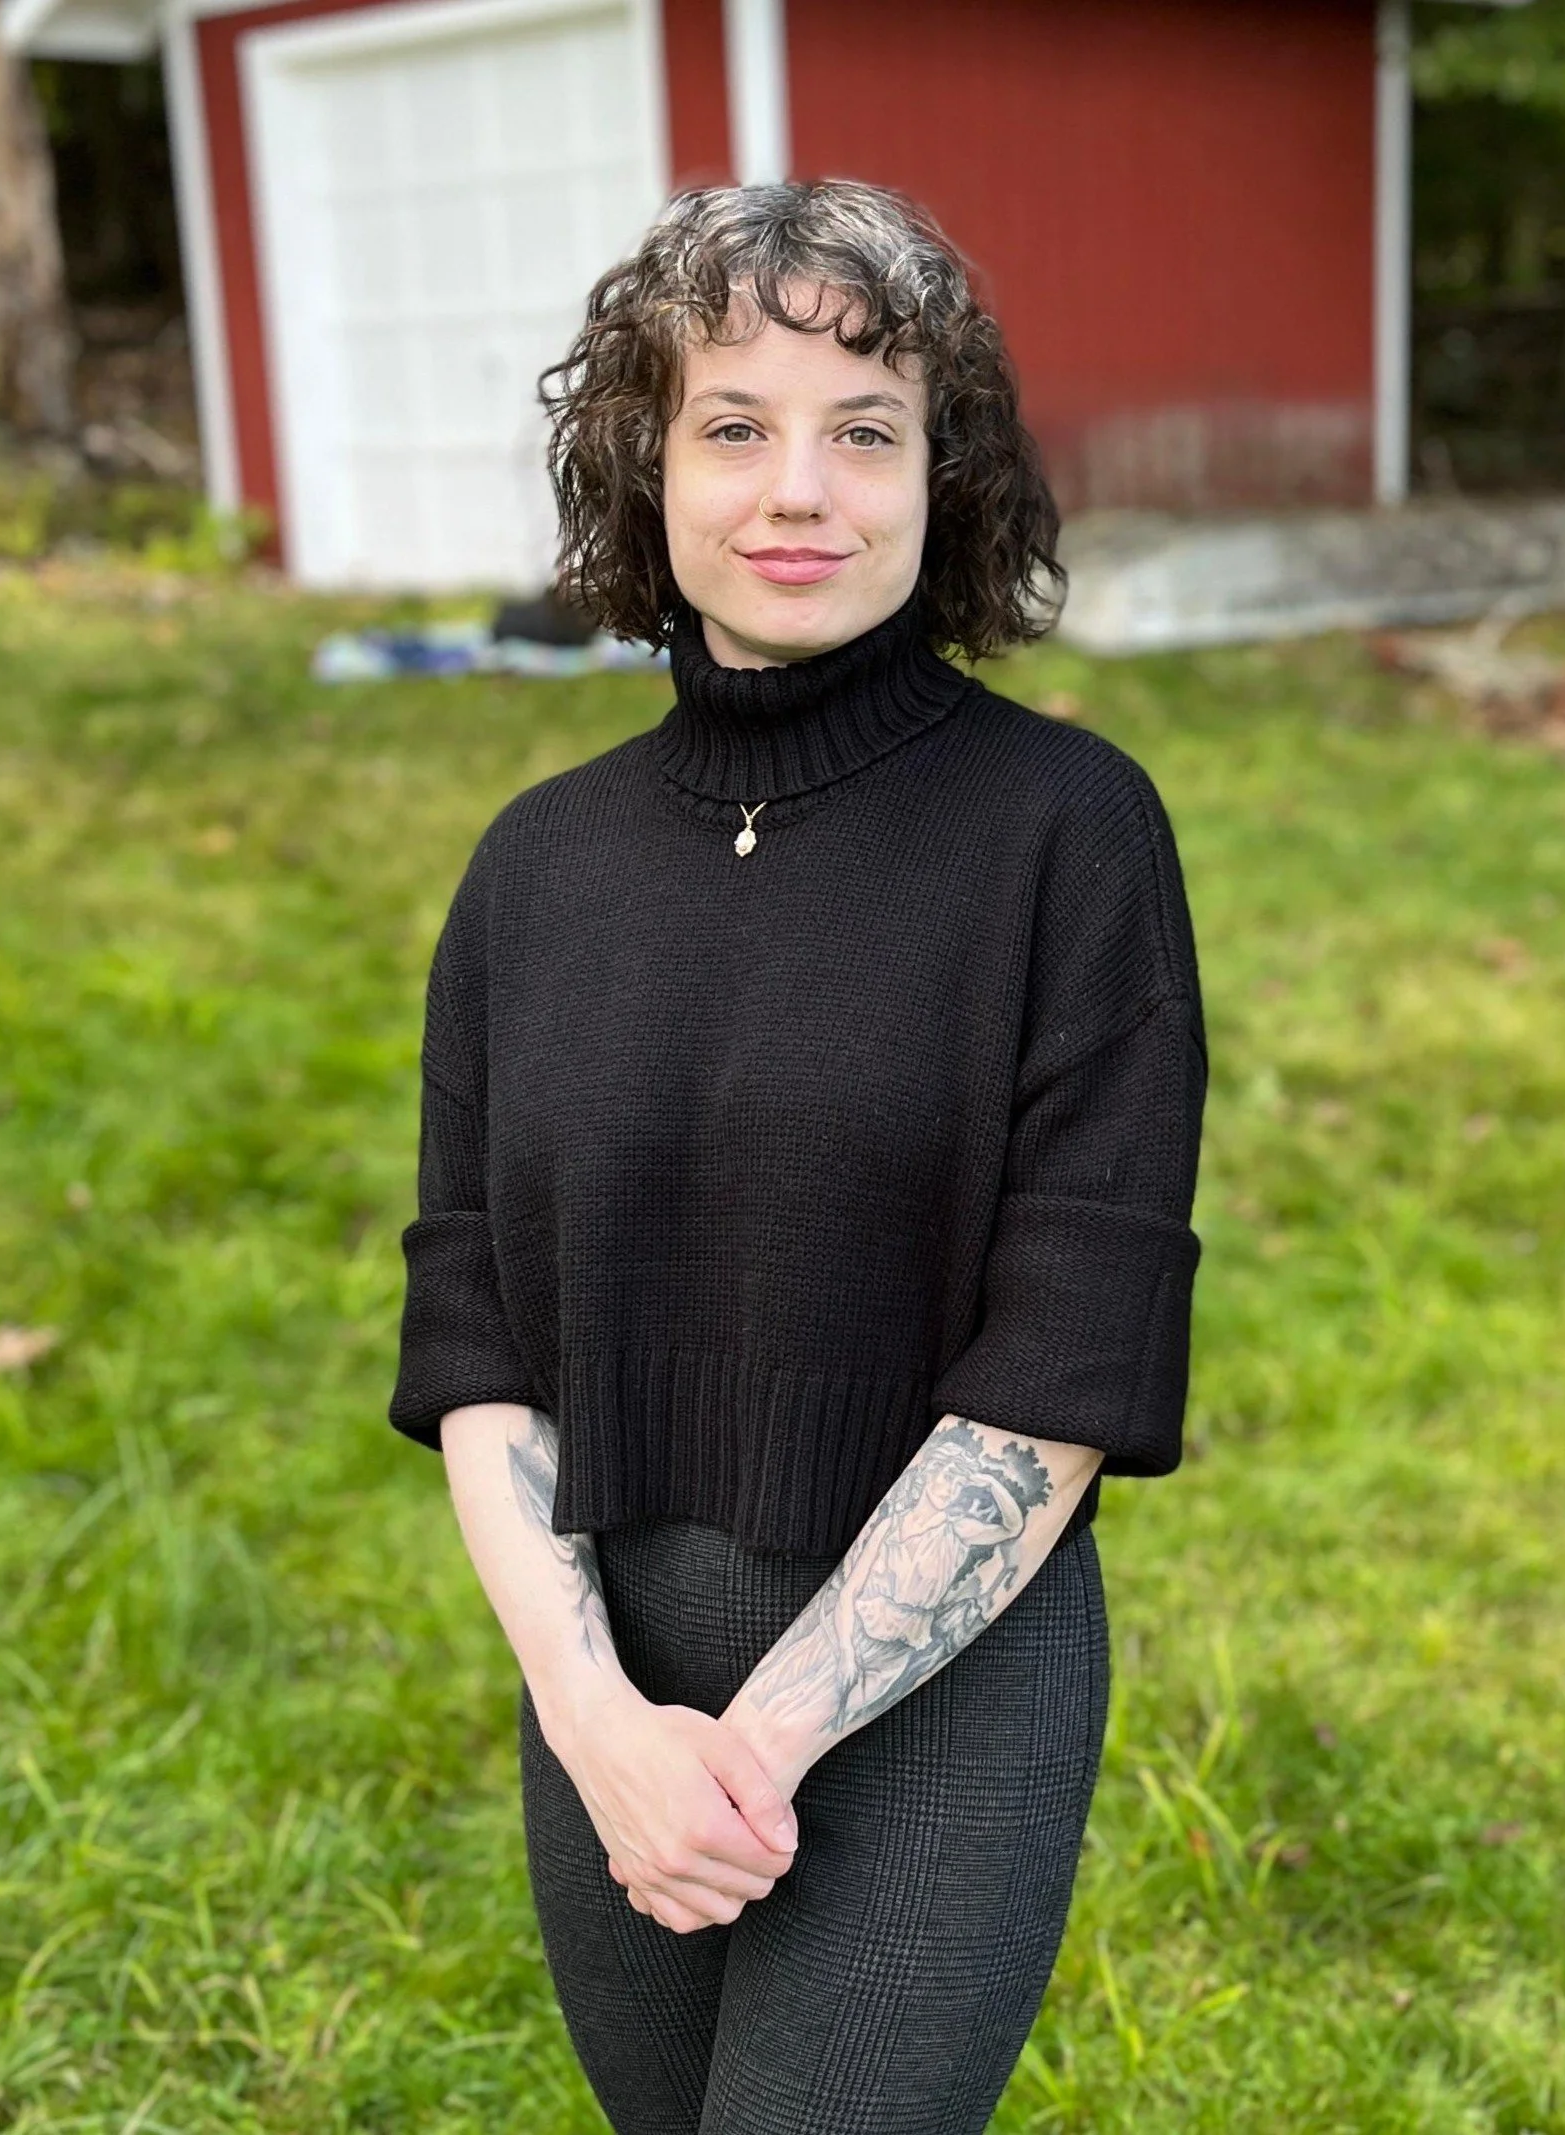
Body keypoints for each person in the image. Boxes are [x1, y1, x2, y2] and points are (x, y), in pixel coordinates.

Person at [388, 179, 1208, 2135]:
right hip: (608, 1688)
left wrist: (752, 1747)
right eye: (732, 424)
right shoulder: (534, 865)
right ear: (642, 463)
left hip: (932, 1687)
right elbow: (471, 1326)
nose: (799, 489)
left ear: (947, 478)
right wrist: (603, 1727)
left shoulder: (1064, 832)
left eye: (863, 429)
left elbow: (1066, 1353)